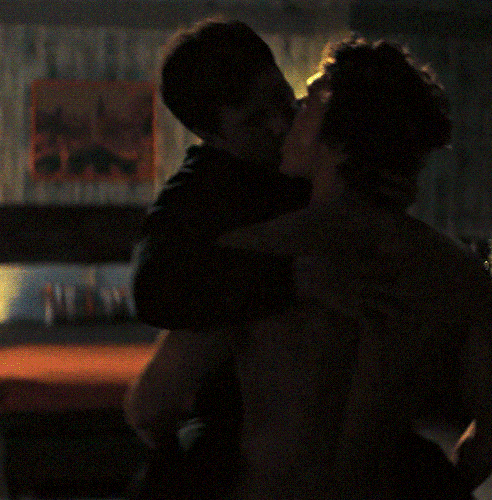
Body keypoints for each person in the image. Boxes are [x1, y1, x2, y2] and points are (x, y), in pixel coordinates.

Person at [161, 35, 492, 498]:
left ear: (340, 140)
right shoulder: (457, 272)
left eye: (307, 104)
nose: (289, 119)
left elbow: (155, 399)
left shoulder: (256, 252)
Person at [123, 18, 311, 499]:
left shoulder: (311, 149)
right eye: (253, 120)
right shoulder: (199, 198)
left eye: (282, 98)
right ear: (208, 132)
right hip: (238, 419)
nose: (280, 124)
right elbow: (152, 291)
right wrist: (291, 275)